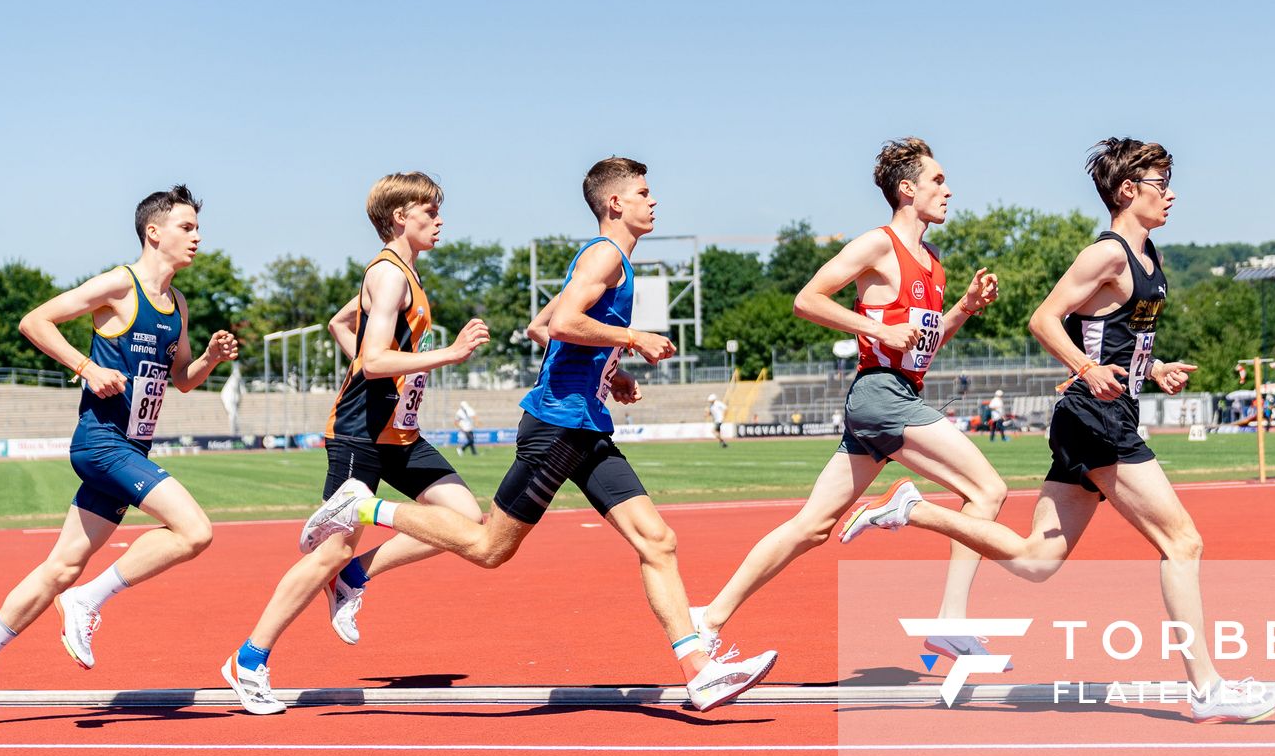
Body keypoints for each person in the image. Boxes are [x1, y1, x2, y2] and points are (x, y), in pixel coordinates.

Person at [301, 157, 776, 711]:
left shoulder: (610, 260)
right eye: (645, 193)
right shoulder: (605, 256)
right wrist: (635, 338)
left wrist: (611, 370)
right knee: (486, 547)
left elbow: (538, 327)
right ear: (615, 203)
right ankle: (363, 510)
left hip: (586, 425)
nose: (654, 202)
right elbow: (561, 324)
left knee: (657, 539)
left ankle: (699, 671)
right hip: (557, 425)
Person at [840, 138, 1275, 723]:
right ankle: (1207, 689)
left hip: (1103, 412)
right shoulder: (1108, 254)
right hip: (1095, 416)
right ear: (1128, 191)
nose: (1170, 194)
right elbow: (1044, 319)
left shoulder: (1152, 259)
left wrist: (1155, 368)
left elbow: (1120, 339)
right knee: (1183, 542)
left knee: (1034, 561)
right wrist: (1087, 368)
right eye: (1158, 183)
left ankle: (913, 510)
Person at [690, 138, 1002, 664]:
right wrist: (875, 325)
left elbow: (920, 346)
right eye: (938, 181)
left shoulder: (935, 264)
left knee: (810, 527)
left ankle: (708, 617)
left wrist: (965, 309)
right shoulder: (878, 245)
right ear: (907, 189)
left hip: (892, 394)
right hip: (880, 395)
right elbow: (807, 299)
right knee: (988, 491)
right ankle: (950, 618)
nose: (949, 191)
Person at [0, 186, 238, 728]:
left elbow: (183, 382)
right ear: (155, 232)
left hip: (132, 445)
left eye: (198, 228)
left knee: (61, 566)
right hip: (101, 444)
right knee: (194, 531)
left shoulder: (178, 306)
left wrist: (211, 359)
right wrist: (86, 367)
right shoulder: (120, 285)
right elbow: (35, 321)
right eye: (187, 227)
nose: (198, 237)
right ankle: (87, 601)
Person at [220, 173, 491, 715]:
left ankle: (356, 575)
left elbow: (340, 322)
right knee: (333, 547)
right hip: (360, 433)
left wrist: (379, 367)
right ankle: (248, 660)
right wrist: (450, 354)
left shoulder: (401, 275)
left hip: (399, 432)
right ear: (399, 217)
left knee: (466, 522)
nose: (439, 220)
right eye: (430, 211)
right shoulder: (389, 276)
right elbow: (372, 360)